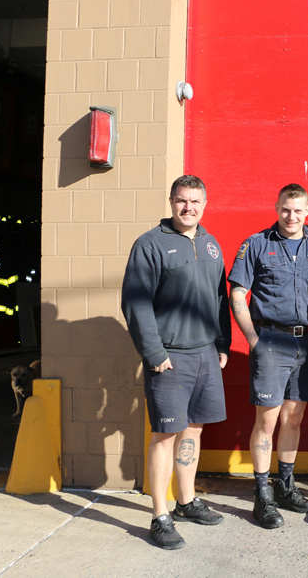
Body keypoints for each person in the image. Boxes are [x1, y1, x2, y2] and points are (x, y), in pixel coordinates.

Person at [122, 175, 231, 551]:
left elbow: (220, 299)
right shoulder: (150, 244)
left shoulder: (211, 243)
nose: (189, 208)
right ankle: (160, 515)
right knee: (165, 435)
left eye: (196, 201)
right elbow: (136, 304)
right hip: (169, 358)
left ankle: (186, 502)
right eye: (182, 201)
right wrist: (155, 354)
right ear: (171, 202)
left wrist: (222, 343)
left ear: (205, 203)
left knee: (194, 431)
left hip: (204, 354)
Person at [227, 183, 308, 529]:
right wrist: (253, 339)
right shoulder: (256, 244)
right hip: (271, 342)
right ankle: (262, 494)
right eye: (286, 209)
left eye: (298, 210)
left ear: (307, 211)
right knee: (266, 422)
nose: (291, 216)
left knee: (294, 419)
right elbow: (238, 293)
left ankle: (285, 486)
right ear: (276, 207)